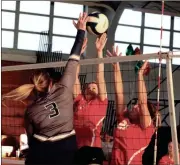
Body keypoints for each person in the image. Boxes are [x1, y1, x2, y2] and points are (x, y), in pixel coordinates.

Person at [2, 12, 88, 165]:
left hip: (40, 154)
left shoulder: (31, 110)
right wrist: (81, 30)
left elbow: (30, 137)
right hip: (65, 151)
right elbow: (73, 58)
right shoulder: (63, 90)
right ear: (50, 83)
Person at [106, 46, 160, 165]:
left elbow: (142, 102)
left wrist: (140, 74)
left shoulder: (146, 128)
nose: (134, 106)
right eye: (135, 105)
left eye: (138, 107)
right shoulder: (124, 119)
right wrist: (116, 67)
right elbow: (119, 94)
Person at [73, 33, 108, 164]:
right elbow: (74, 76)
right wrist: (78, 54)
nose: (92, 88)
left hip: (93, 149)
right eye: (90, 86)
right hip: (76, 149)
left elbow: (100, 75)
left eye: (95, 88)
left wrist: (99, 51)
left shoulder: (101, 102)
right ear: (85, 89)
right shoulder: (79, 99)